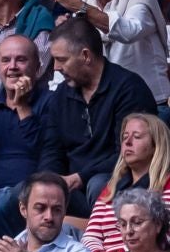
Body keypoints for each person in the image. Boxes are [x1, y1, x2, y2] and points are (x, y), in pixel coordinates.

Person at [42, 19, 159, 217]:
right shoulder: (61, 95)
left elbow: (129, 153)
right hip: (73, 185)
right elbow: (51, 149)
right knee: (28, 190)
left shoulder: (129, 89)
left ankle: (99, 233)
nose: (55, 67)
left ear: (86, 56)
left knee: (99, 185)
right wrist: (50, 179)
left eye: (62, 59)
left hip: (117, 178)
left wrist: (80, 177)